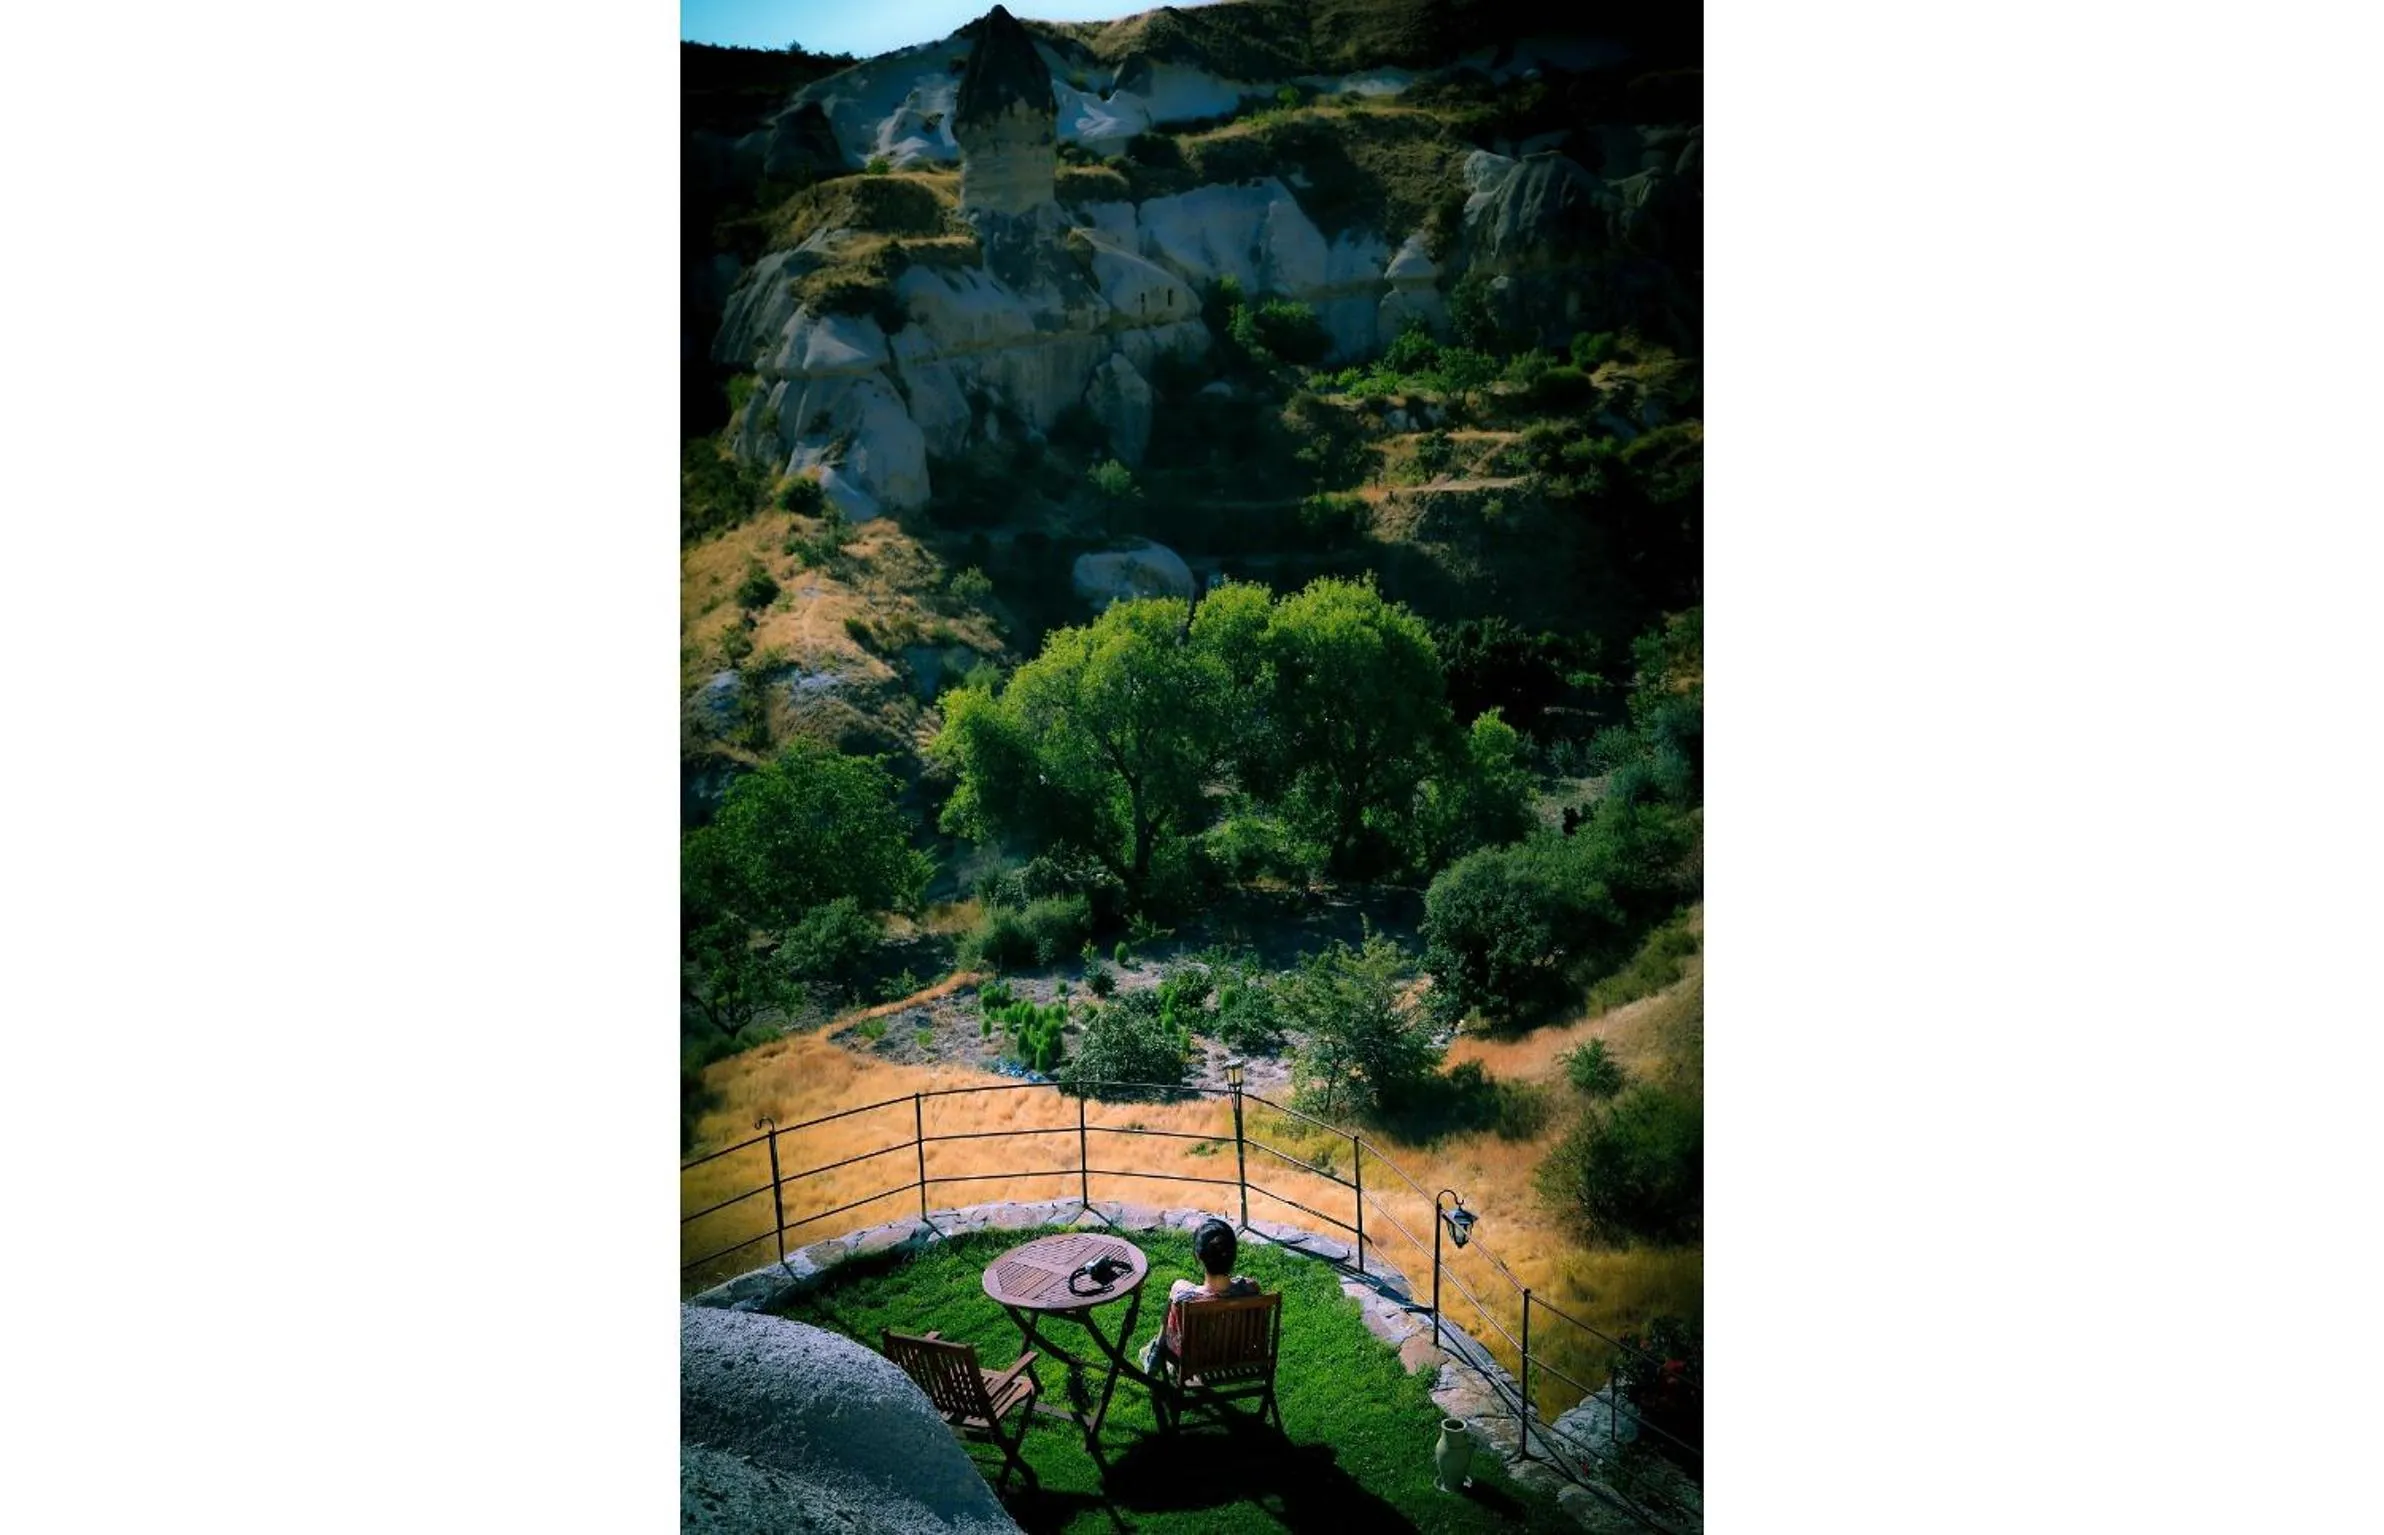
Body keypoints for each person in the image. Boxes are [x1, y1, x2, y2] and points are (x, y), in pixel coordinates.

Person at [1139, 1217, 1260, 1377]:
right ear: (1233, 1255)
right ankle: (1154, 1350)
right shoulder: (1251, 1289)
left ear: (1198, 1257)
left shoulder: (1184, 1298)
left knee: (1177, 1286)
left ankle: (1155, 1350)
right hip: (1238, 1360)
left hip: (1195, 1365)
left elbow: (1174, 1341)